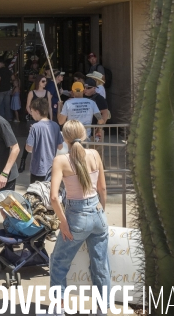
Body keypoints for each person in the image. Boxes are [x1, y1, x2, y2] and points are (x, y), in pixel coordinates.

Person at [49, 120, 109, 316]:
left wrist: (63, 224)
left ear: (64, 138)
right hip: (97, 214)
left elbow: (54, 197)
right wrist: (101, 210)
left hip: (76, 216)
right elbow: (102, 188)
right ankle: (101, 309)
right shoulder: (94, 154)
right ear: (83, 135)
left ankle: (60, 308)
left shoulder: (61, 160)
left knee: (58, 262)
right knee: (100, 264)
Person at [18, 75, 53, 172]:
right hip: (33, 119)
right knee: (31, 139)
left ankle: (43, 161)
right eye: (43, 81)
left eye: (45, 81)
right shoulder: (32, 93)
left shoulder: (48, 93)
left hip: (44, 119)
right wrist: (33, 115)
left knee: (44, 140)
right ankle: (23, 160)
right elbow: (28, 106)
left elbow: (49, 107)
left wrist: (51, 119)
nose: (45, 83)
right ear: (38, 82)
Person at [25, 98, 64, 182]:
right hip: (52, 168)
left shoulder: (35, 127)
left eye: (32, 111)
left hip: (38, 169)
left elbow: (28, 148)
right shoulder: (55, 125)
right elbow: (60, 146)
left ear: (37, 112)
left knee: (37, 193)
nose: (31, 114)